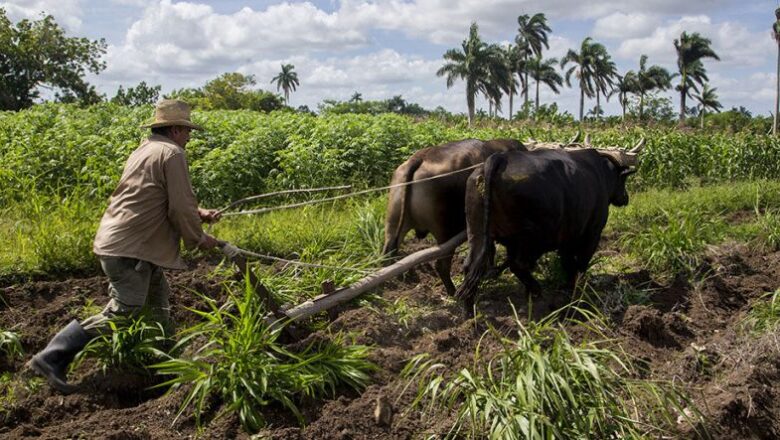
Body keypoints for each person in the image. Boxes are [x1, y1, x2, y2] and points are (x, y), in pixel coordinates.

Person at [28, 99, 221, 394]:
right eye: (186, 129)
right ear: (174, 129)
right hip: (131, 248)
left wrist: (199, 214)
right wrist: (199, 238)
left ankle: (167, 368)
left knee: (159, 302)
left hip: (125, 242)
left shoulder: (145, 150)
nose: (189, 136)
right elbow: (179, 207)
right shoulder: (172, 154)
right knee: (125, 310)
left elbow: (152, 198)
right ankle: (52, 356)